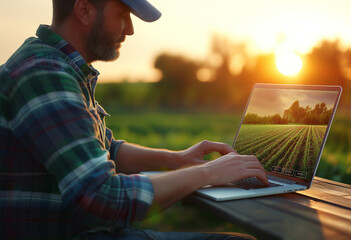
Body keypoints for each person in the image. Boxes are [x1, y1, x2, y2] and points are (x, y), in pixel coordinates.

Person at [0, 0, 268, 239]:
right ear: (84, 10)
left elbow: (105, 148)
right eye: (124, 14)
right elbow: (101, 197)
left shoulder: (58, 67)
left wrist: (176, 159)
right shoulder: (45, 75)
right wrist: (209, 172)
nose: (130, 29)